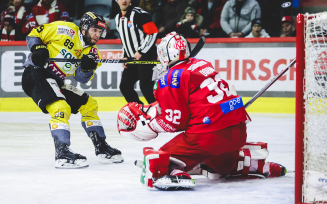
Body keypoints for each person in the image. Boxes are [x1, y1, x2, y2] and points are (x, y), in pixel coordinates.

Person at [117, 32, 287, 190]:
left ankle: (174, 172)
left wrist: (151, 124)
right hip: (239, 131)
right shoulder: (203, 64)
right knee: (221, 166)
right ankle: (258, 165)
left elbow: (176, 122)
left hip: (209, 136)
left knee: (158, 161)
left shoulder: (169, 78)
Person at [21, 11, 124, 169]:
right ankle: (62, 153)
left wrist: (86, 67)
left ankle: (101, 147)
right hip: (35, 73)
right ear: (84, 28)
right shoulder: (65, 29)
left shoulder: (92, 53)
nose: (97, 35)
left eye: (100, 31)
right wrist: (38, 48)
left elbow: (81, 79)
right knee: (61, 106)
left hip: (56, 81)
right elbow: (33, 34)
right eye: (94, 30)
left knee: (89, 104)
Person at [115, 0, 158, 105]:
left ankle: (158, 112)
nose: (124, 0)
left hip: (146, 56)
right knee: (125, 86)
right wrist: (125, 55)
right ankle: (139, 110)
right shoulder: (117, 18)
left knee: (145, 86)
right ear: (116, 0)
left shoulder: (140, 14)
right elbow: (125, 39)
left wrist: (141, 52)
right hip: (132, 58)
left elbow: (153, 33)